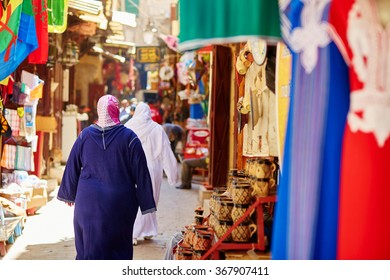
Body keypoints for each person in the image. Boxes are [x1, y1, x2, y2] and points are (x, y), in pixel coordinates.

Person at [57, 95, 156, 260]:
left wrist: (69, 193)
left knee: (88, 248)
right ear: (116, 110)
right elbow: (141, 173)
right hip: (120, 203)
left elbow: (72, 166)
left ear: (98, 110)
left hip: (88, 203)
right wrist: (146, 202)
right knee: (119, 248)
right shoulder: (130, 138)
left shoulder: (84, 136)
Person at [124, 102, 179, 245]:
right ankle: (141, 231)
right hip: (152, 169)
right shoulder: (157, 128)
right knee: (151, 199)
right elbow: (166, 153)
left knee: (133, 200)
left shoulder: (128, 127)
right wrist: (173, 176)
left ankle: (140, 232)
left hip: (133, 168)